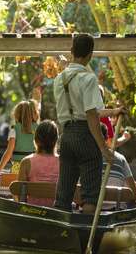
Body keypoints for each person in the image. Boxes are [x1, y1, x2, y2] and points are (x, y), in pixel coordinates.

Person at [53, 34, 113, 214]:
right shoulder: (89, 79)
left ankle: (62, 233)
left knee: (64, 193)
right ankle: (86, 234)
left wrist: (114, 112)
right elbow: (91, 116)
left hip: (67, 136)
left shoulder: (59, 79)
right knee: (90, 194)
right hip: (86, 136)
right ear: (90, 54)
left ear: (71, 52)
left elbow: (85, 110)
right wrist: (103, 149)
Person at [18, 120, 60, 207]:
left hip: (31, 210)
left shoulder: (26, 162)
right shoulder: (63, 162)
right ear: (56, 140)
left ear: (36, 139)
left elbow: (20, 195)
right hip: (56, 210)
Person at [0, 100, 40, 173]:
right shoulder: (38, 129)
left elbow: (9, 152)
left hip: (18, 167)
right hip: (34, 166)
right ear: (33, 113)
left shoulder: (14, 130)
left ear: (17, 114)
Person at [99, 123, 136, 201]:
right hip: (117, 206)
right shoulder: (121, 158)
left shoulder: (82, 158)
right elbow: (134, 194)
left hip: (88, 207)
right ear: (107, 139)